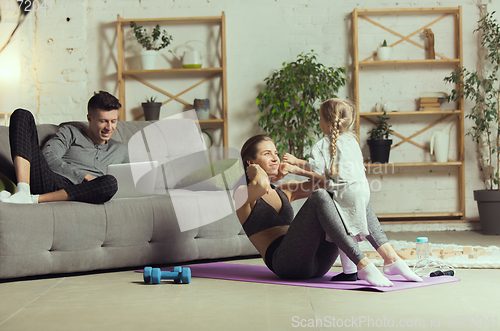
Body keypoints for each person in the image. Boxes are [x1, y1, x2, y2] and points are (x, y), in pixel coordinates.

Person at [235, 134, 422, 287]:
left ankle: (391, 258)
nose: (275, 158)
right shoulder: (241, 194)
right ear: (250, 161)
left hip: (318, 262)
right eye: (267, 153)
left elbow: (332, 184)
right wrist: (255, 171)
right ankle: (363, 264)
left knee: (348, 194)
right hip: (286, 263)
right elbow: (261, 185)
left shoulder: (285, 190)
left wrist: (296, 169)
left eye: (275, 152)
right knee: (319, 197)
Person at [282, 98, 369, 281]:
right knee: (351, 230)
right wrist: (297, 161)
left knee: (342, 233)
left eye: (320, 118)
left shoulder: (322, 144)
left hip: (343, 193)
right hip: (361, 190)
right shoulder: (352, 141)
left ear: (328, 122)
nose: (318, 122)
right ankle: (352, 270)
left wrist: (295, 166)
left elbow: (315, 169)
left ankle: (354, 269)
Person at [0, 91, 128, 204]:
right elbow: (48, 156)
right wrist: (83, 176)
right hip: (53, 180)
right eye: (103, 121)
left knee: (110, 183)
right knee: (22, 114)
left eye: (113, 121)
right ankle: (23, 190)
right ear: (89, 118)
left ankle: (33, 199)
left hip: (86, 192)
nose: (109, 127)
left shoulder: (120, 149)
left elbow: (132, 179)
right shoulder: (70, 132)